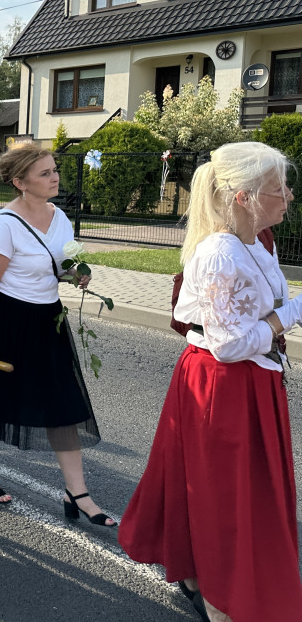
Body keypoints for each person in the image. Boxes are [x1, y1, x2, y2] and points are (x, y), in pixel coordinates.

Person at [119, 141, 302, 622]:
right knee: (225, 494)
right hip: (223, 384)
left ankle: (217, 579)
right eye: (276, 187)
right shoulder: (220, 253)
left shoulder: (258, 241)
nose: (287, 195)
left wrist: (285, 312)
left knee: (244, 493)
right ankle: (223, 596)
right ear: (244, 196)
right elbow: (229, 343)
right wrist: (293, 313)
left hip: (251, 381)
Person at [0, 144, 114, 526]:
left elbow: (60, 267)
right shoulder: (4, 225)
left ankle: (78, 491)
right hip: (4, 318)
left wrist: (76, 275)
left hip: (45, 320)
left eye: (54, 171)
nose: (54, 177)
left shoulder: (61, 218)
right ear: (20, 182)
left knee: (63, 403)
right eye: (45, 173)